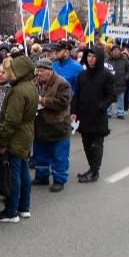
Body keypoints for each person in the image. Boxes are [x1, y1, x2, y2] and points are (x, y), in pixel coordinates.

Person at [0, 55, 38, 223]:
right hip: (25, 133)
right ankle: (24, 207)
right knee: (23, 171)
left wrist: (2, 142)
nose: (9, 73)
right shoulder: (30, 86)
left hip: (16, 135)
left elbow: (11, 120)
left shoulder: (18, 90)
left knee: (13, 175)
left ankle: (11, 211)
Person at [71, 45, 115, 183]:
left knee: (96, 145)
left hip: (97, 116)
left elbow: (111, 95)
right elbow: (77, 94)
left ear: (99, 58)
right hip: (84, 115)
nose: (91, 59)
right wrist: (74, 111)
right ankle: (91, 168)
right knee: (86, 143)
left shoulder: (106, 75)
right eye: (89, 56)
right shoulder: (82, 75)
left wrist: (101, 106)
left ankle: (95, 171)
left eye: (94, 56)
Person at [32, 58, 73, 192]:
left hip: (58, 125)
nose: (38, 73)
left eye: (41, 71)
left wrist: (42, 101)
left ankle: (59, 179)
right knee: (40, 153)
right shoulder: (35, 82)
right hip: (40, 124)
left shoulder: (62, 83)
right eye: (37, 70)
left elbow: (62, 102)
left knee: (59, 155)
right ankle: (42, 176)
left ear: (50, 71)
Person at [105, 45, 129, 118]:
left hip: (121, 82)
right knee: (108, 97)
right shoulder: (107, 60)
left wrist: (125, 78)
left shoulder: (124, 60)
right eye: (114, 50)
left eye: (118, 50)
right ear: (112, 51)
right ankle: (108, 112)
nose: (116, 51)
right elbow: (103, 69)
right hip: (109, 83)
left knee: (120, 98)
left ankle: (120, 112)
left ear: (120, 51)